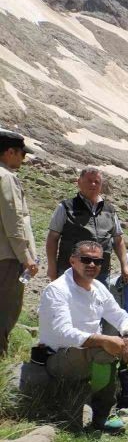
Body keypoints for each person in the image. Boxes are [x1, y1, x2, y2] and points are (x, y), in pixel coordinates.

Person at [38, 241, 128, 433]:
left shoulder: (97, 287)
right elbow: (63, 332)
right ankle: (103, 414)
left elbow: (120, 315)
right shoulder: (57, 290)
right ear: (72, 261)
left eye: (97, 261)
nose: (92, 265)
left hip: (90, 351)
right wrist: (104, 340)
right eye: (86, 259)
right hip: (59, 357)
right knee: (103, 349)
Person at [46, 167, 128, 285]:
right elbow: (52, 238)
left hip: (100, 273)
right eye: (89, 181)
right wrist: (51, 266)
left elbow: (118, 240)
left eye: (97, 182)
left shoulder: (110, 210)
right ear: (79, 182)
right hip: (71, 271)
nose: (93, 184)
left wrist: (125, 265)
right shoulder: (66, 207)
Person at [0, 129, 38, 356]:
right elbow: (14, 222)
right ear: (10, 152)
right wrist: (26, 258)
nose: (24, 159)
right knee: (6, 309)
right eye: (22, 154)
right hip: (7, 257)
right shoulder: (7, 177)